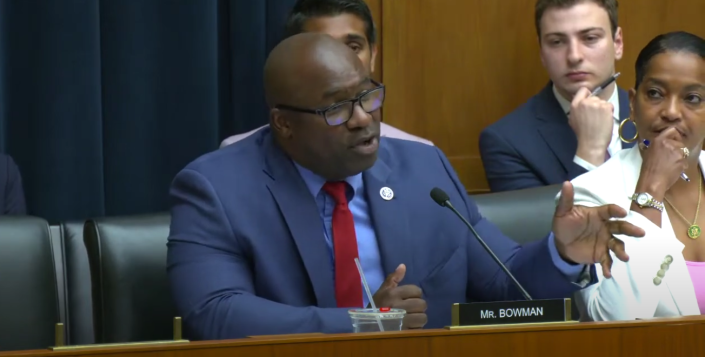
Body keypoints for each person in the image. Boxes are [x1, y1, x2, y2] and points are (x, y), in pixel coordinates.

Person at [167, 33, 643, 340]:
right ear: (283, 124)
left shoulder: (423, 169)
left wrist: (562, 254)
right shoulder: (215, 188)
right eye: (336, 109)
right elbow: (215, 314)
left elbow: (504, 281)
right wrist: (363, 324)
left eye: (367, 96)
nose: (363, 120)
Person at [570, 31, 705, 320]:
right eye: (655, 93)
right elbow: (613, 322)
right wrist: (651, 190)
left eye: (692, 98)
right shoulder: (591, 194)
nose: (670, 112)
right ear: (632, 103)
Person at [219, 0, 432, 149]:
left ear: (373, 55)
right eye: (325, 47)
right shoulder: (236, 157)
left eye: (353, 47)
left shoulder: (420, 156)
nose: (341, 60)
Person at [479, 0, 636, 192]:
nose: (574, 56)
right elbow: (538, 222)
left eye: (590, 38)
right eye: (557, 42)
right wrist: (590, 150)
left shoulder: (663, 119)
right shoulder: (507, 141)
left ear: (617, 43)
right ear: (542, 52)